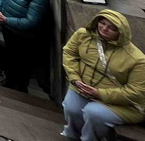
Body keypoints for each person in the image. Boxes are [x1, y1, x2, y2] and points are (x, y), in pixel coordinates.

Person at [62, 9, 145, 141]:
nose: (104, 28)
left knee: (93, 113)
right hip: (82, 87)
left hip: (122, 103)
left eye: (111, 28)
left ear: (121, 33)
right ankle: (73, 137)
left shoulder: (137, 59)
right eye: (102, 23)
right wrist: (74, 78)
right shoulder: (83, 35)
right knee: (71, 108)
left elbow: (137, 92)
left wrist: (99, 93)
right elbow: (69, 53)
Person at [0, 0, 48, 92]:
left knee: (23, 62)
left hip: (22, 35)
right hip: (8, 29)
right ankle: (9, 80)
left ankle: (21, 86)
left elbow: (30, 21)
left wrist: (7, 20)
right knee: (11, 57)